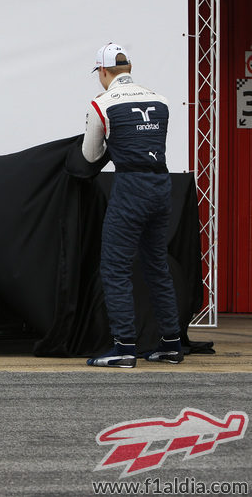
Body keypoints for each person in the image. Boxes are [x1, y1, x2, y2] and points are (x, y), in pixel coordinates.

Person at [82, 43, 183, 368]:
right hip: (161, 185)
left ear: (103, 71)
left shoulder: (103, 103)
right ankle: (171, 344)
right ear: (129, 67)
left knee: (115, 267)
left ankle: (124, 346)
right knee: (157, 266)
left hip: (130, 187)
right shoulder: (161, 99)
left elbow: (90, 156)